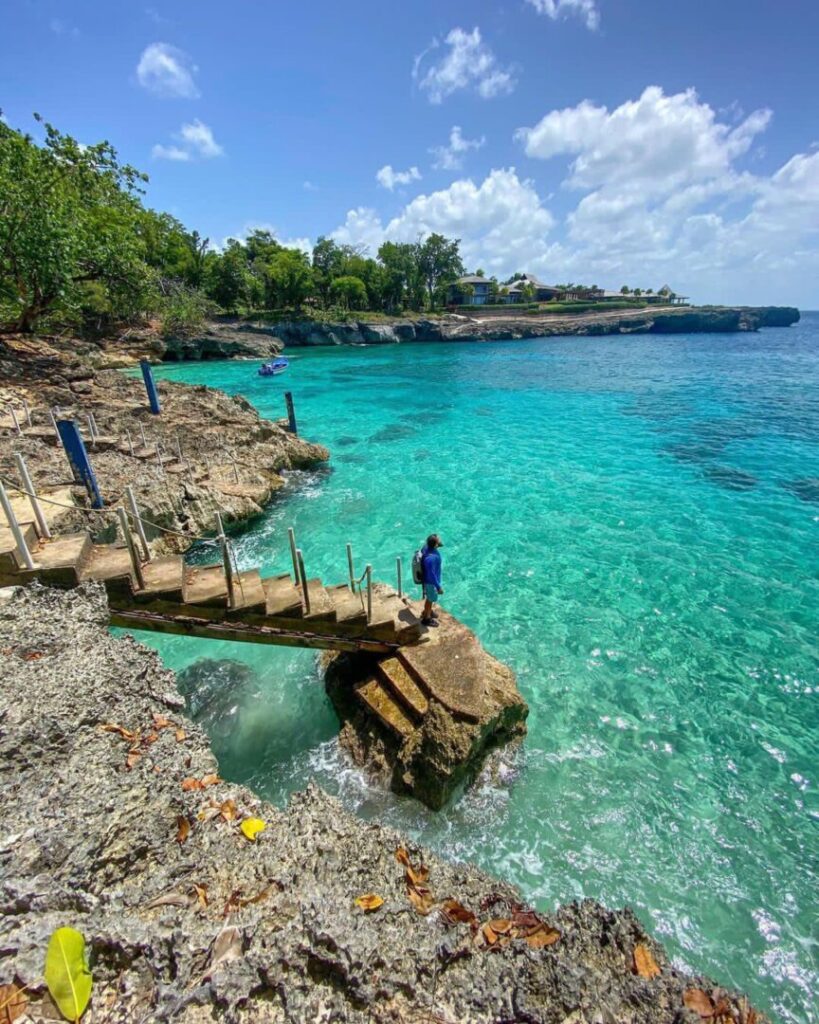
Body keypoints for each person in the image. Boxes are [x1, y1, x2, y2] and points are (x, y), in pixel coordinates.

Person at [421, 533, 444, 627]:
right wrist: (438, 587)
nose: (440, 540)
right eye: (438, 540)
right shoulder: (431, 559)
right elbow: (432, 575)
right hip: (430, 582)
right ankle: (426, 618)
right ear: (435, 545)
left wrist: (438, 544)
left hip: (428, 580)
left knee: (430, 598)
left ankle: (428, 611)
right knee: (430, 599)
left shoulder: (426, 548)